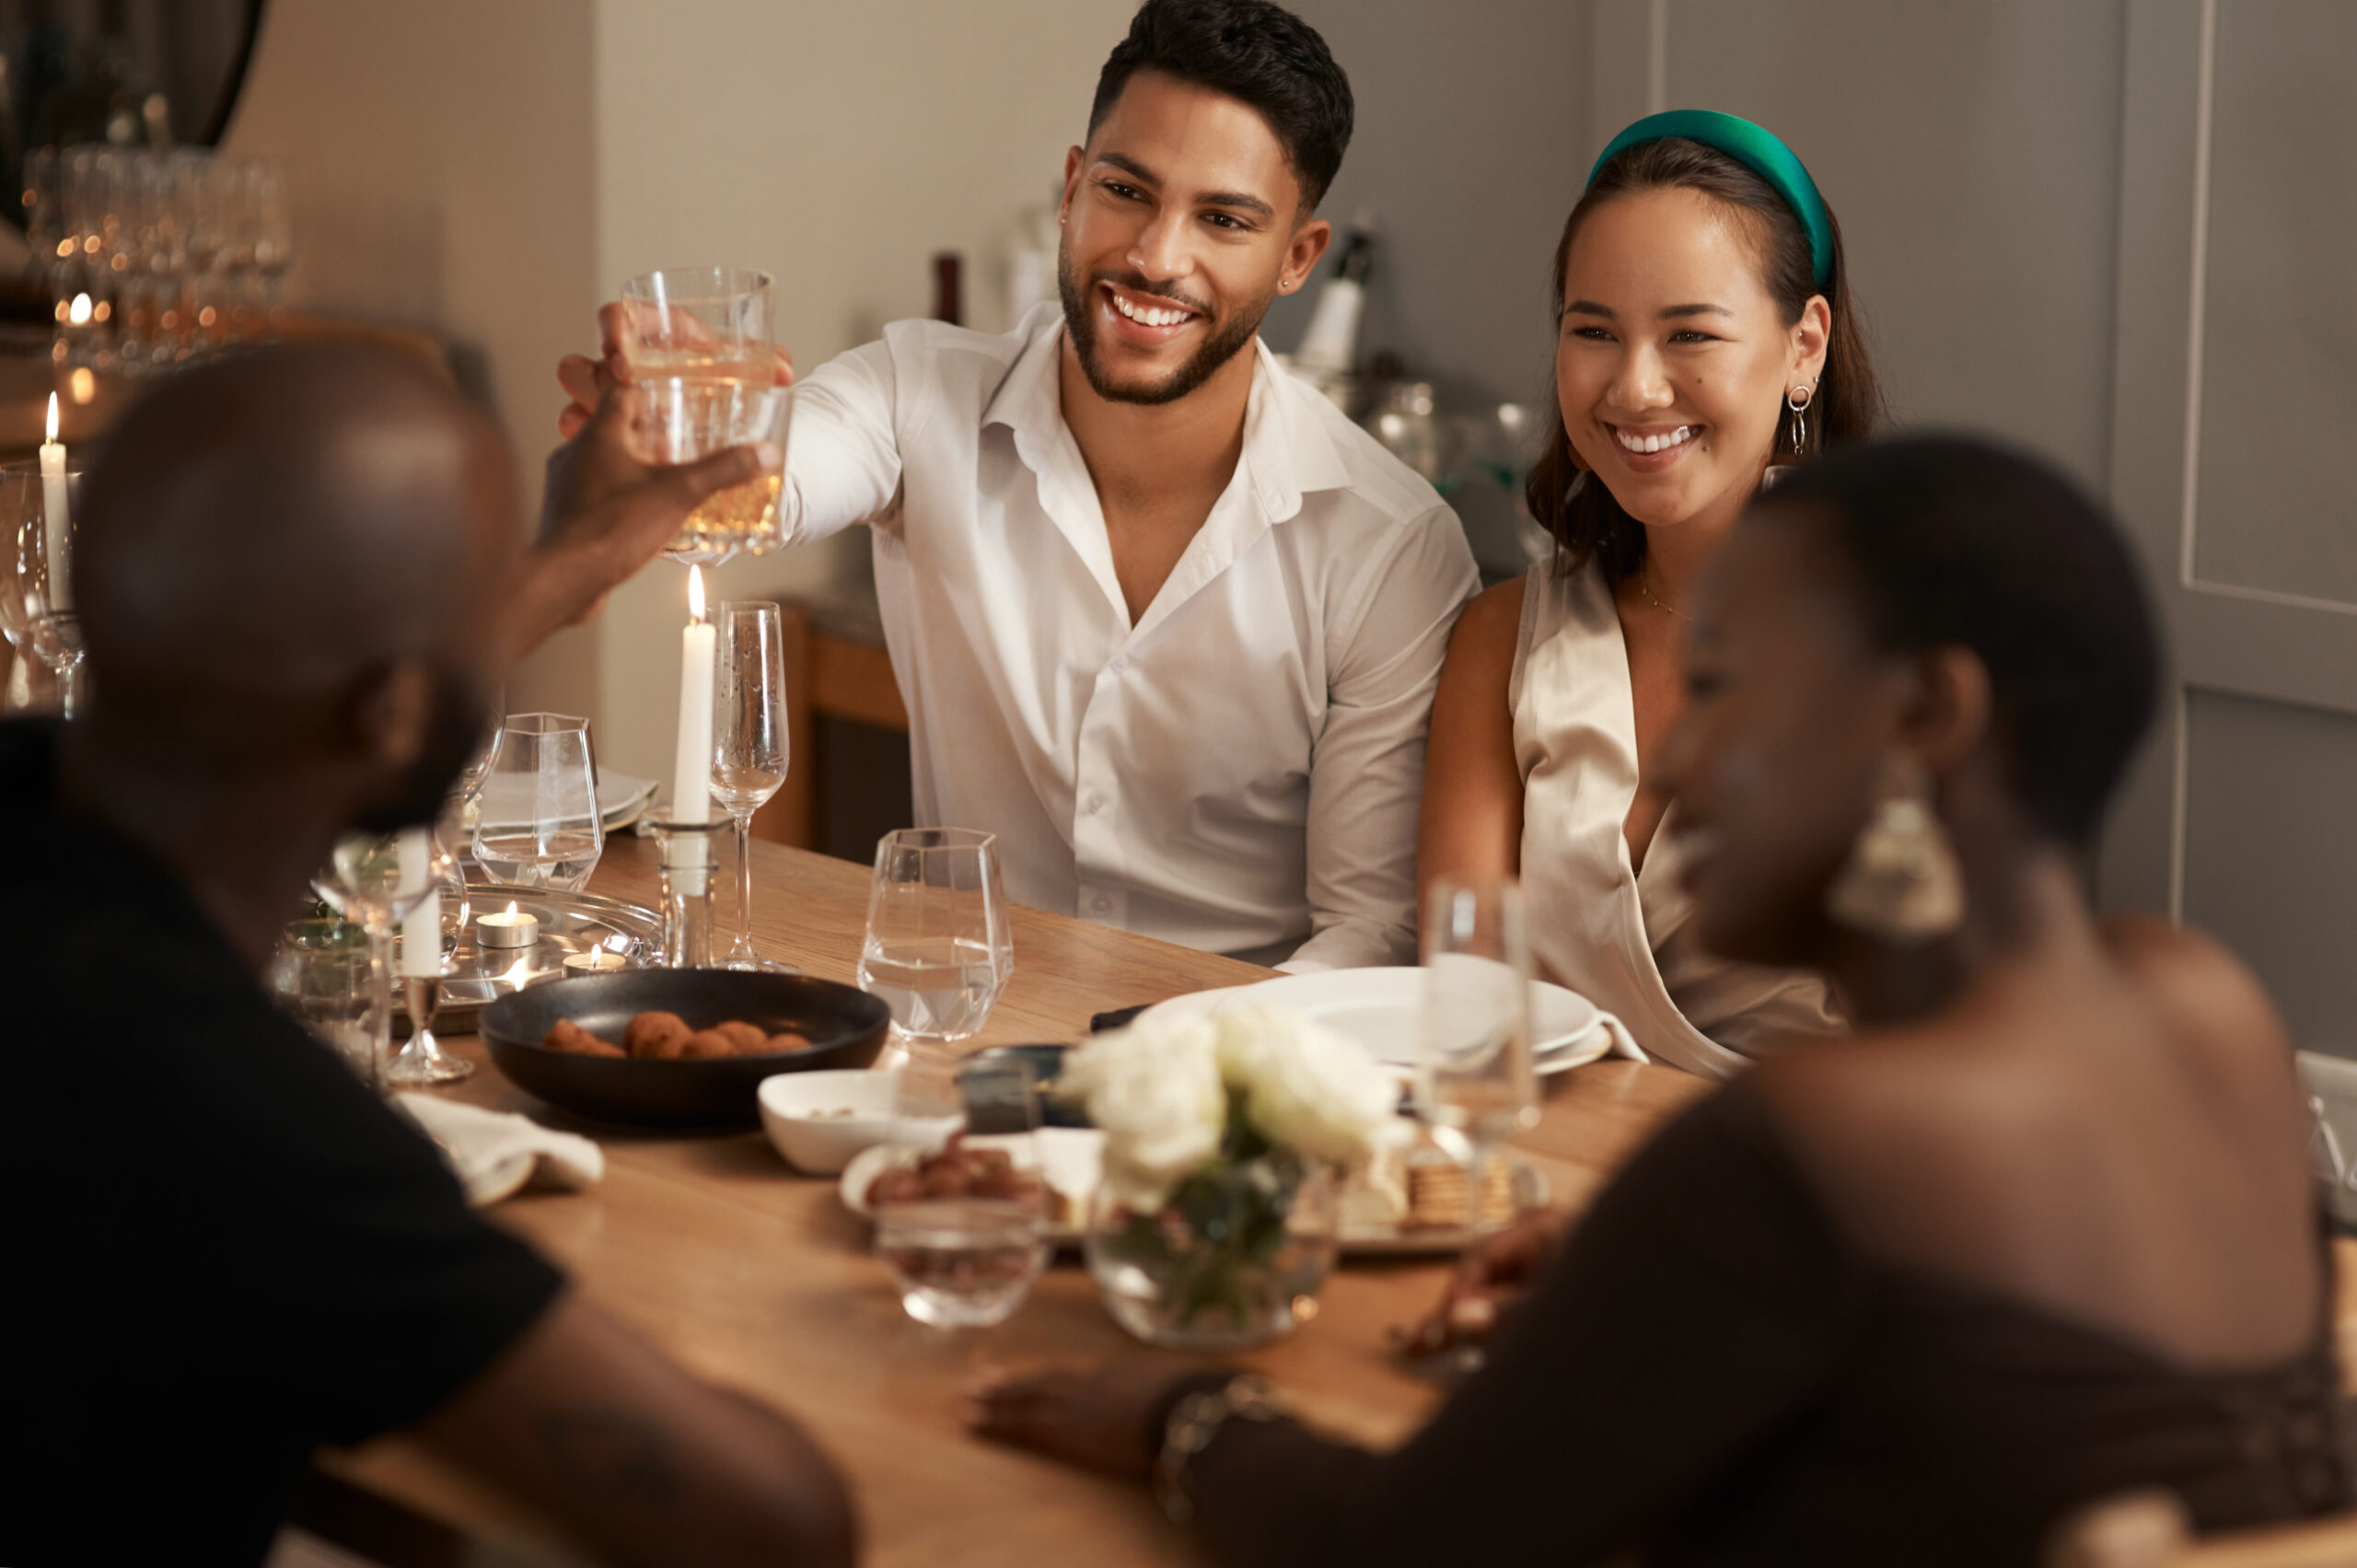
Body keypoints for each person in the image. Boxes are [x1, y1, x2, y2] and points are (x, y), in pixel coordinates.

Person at [970, 436, 2352, 1566]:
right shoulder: (2206, 1006)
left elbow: (1403, 1540)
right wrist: (1683, 1296)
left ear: (1928, 715)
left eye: (1728, 685)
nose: (1678, 753)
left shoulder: (1800, 1149)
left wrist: (1187, 1412)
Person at [4, 346, 856, 1567]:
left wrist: (566, 563)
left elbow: (361, 698)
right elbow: (775, 1524)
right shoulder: (223, 1112)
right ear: (395, 704)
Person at [559, 0, 1477, 971]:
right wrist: (671, 458)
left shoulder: (1390, 545)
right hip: (962, 1029)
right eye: (1127, 190)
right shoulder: (916, 393)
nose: (1158, 257)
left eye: (1222, 219)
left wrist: (1183, 1073)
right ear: (1072, 189)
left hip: (1226, 1072)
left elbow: (1369, 932)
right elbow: (764, 481)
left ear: (1298, 256)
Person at [1418, 110, 1882, 1074]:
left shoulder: (1905, 644)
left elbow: (1961, 1038)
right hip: (1542, 1176)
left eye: (1689, 335)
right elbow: (1465, 1004)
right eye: (1593, 330)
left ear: (1804, 347)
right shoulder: (1501, 637)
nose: (1633, 388)